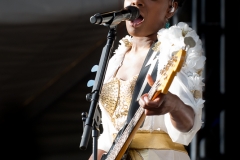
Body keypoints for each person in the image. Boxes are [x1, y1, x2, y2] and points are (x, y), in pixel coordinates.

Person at [89, 0, 206, 159]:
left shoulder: (174, 51)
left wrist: (173, 106)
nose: (136, 1)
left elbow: (189, 126)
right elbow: (107, 139)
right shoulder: (114, 61)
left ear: (170, 8)